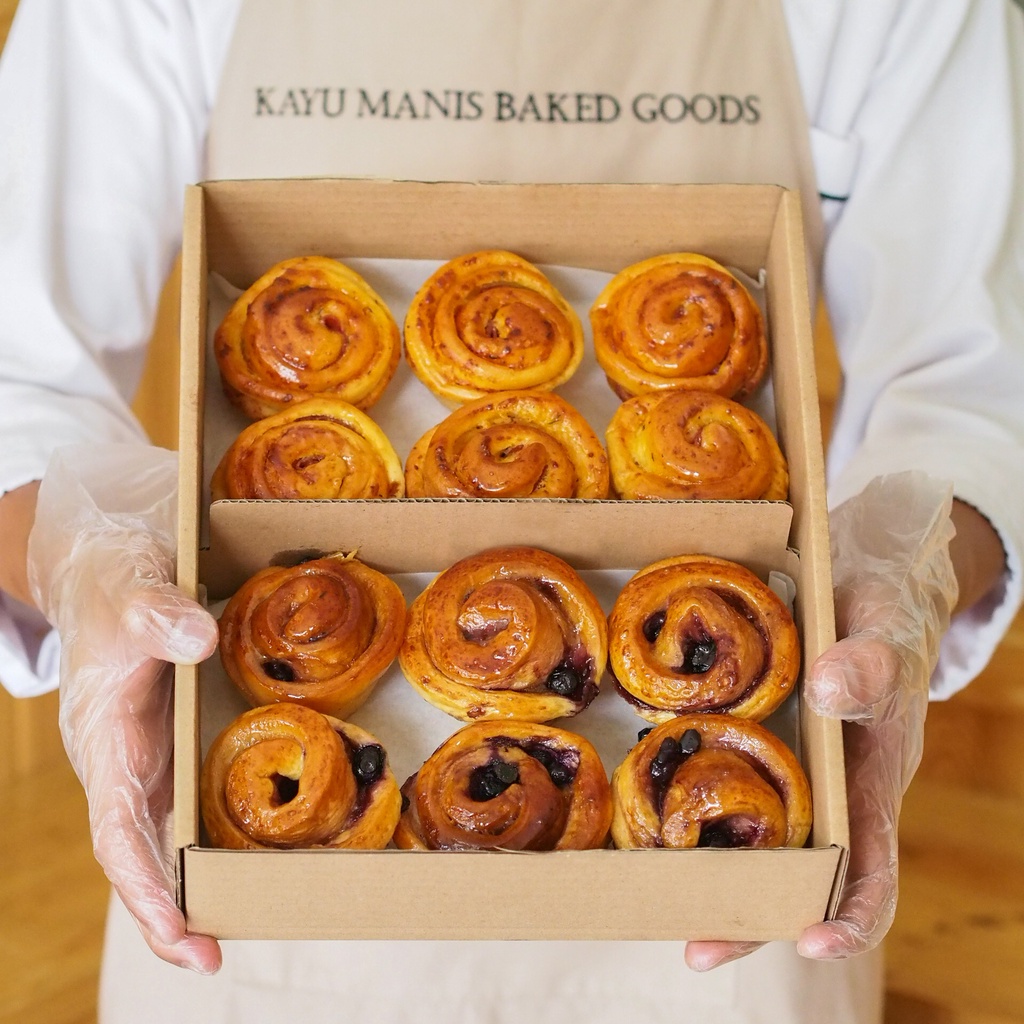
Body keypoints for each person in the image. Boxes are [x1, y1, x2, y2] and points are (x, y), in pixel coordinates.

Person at [1, 1, 1022, 1022]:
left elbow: (973, 396)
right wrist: (74, 559)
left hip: (726, 943)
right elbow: (17, 386)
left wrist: (911, 569)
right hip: (273, 947)